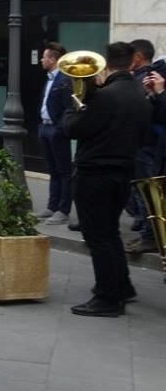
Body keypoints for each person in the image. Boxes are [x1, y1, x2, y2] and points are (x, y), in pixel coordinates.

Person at [63, 42, 153, 317]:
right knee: (110, 232)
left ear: (108, 65)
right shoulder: (140, 93)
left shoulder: (104, 96)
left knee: (97, 236)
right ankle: (122, 286)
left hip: (96, 172)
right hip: (124, 170)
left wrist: (74, 107)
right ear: (131, 62)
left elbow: (74, 129)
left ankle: (107, 298)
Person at [126, 39, 162, 254]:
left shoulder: (146, 78)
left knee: (145, 192)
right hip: (142, 143)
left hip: (146, 144)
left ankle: (150, 237)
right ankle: (146, 232)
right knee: (139, 191)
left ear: (138, 57)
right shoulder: (138, 78)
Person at [37, 42, 74, 225]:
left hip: (56, 129)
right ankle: (52, 206)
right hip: (45, 127)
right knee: (52, 169)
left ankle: (63, 209)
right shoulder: (50, 78)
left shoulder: (65, 80)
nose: (42, 60)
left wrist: (60, 128)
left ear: (53, 59)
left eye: (44, 57)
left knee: (64, 170)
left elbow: (69, 107)